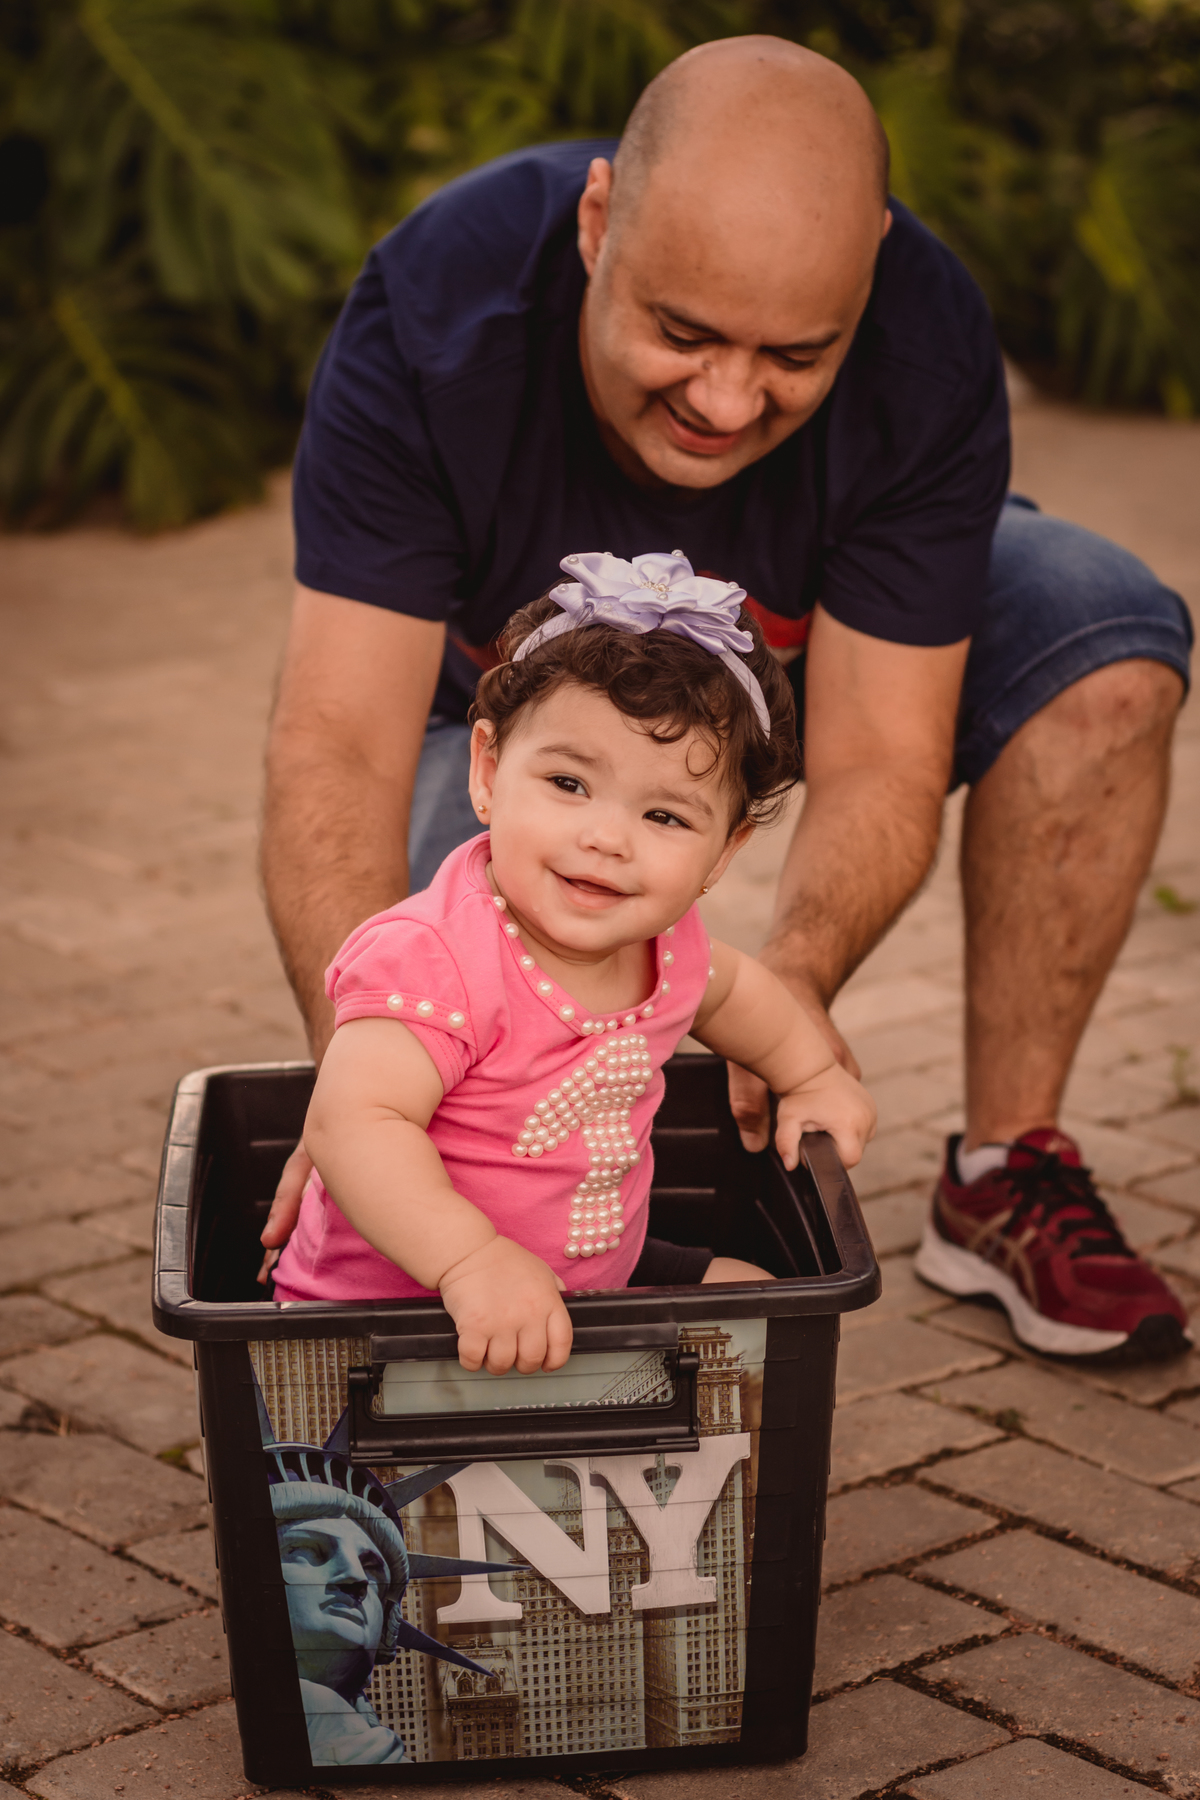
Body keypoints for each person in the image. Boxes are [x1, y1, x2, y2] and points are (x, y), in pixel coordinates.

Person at [261, 36, 1192, 1362]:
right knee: (491, 954)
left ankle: (1006, 1170)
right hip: (497, 718)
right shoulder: (438, 305)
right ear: (597, 225)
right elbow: (338, 739)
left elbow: (879, 753)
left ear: (869, 270)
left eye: (795, 355)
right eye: (681, 334)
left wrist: (787, 1010)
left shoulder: (925, 335)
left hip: (790, 678)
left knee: (1100, 628)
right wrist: (351, 1083)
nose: (724, 400)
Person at [272, 553, 877, 1372]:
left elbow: (736, 991)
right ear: (489, 773)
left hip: (590, 1275)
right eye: (568, 782)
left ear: (724, 851)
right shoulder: (434, 958)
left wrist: (811, 1074)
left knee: (757, 1312)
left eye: (665, 816)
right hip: (397, 1311)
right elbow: (353, 1125)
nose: (606, 837)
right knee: (397, 1433)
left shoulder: (668, 944)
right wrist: (469, 1259)